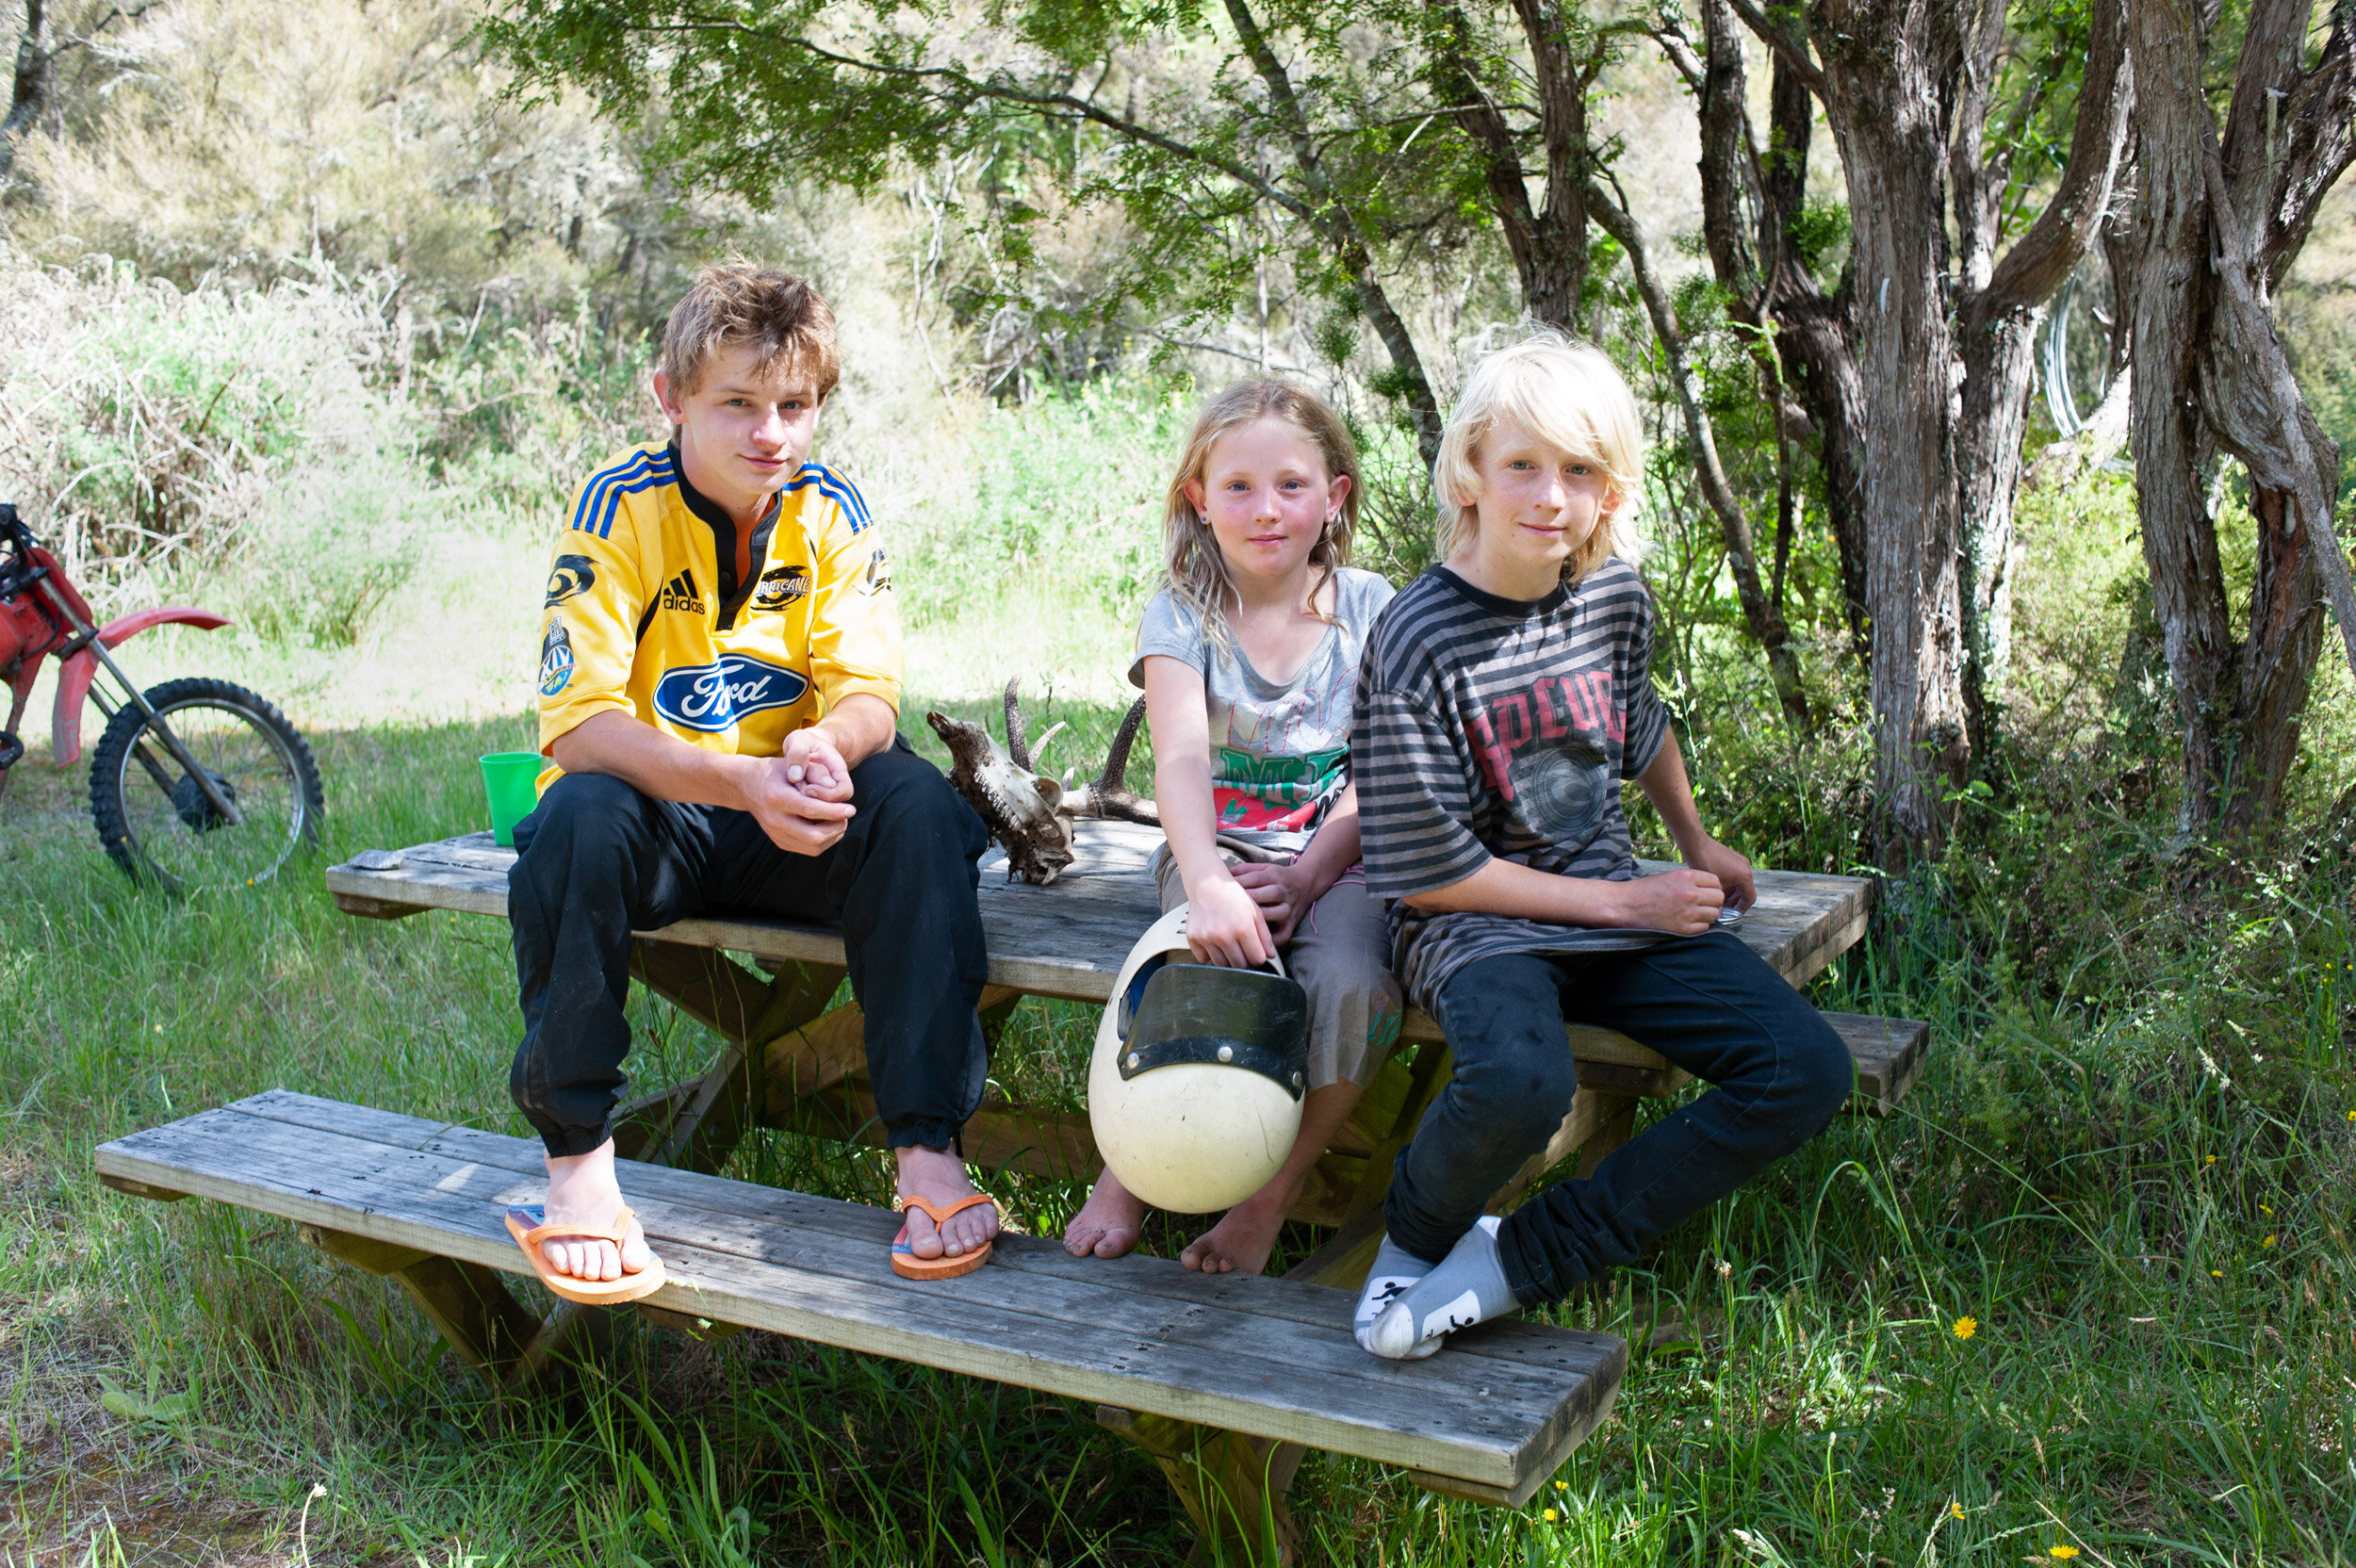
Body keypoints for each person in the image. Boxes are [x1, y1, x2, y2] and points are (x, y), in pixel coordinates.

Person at [1347, 333, 1852, 1358]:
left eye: (1580, 470)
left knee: (1803, 1067)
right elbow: (1433, 876)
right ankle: (1409, 1242)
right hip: (1480, 928)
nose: (1549, 496)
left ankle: (1524, 1257)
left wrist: (1694, 840)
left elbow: (1638, 720)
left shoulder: (1611, 596)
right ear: (1468, 473)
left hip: (1612, 908)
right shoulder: (1416, 636)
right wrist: (1633, 903)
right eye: (1522, 464)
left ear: (1611, 490)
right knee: (1523, 1083)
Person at [503, 264, 1000, 1299]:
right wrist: (743, 783)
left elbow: (870, 691)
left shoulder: (829, 511)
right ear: (669, 397)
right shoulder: (615, 507)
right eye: (735, 403)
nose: (767, 431)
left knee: (913, 803)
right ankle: (580, 1163)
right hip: (666, 817)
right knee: (576, 817)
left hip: (791, 819)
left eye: (793, 406)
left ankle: (926, 1148)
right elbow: (582, 726)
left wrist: (827, 743)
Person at [1063, 379, 1404, 1277]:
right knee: (1198, 959)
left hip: (1345, 860)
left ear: (1334, 498)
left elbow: (1382, 775)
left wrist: (1312, 873)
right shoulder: (1184, 613)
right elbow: (1176, 760)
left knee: (1352, 982)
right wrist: (1209, 881)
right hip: (1218, 851)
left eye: (1292, 486)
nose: (1266, 510)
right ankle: (1131, 1169)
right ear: (1199, 500)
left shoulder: (1374, 611)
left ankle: (1268, 1194)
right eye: (1239, 488)